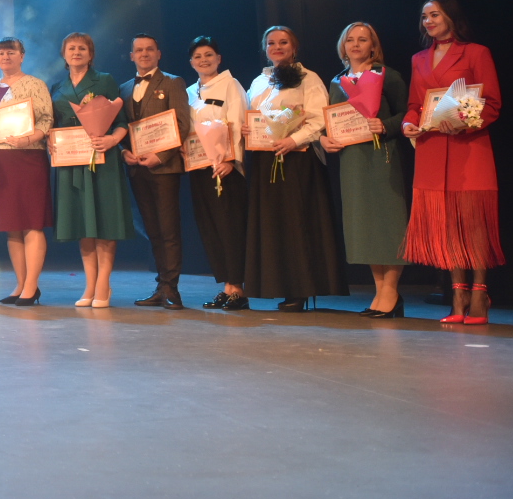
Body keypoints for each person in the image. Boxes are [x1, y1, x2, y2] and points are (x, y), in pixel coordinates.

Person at [401, 0, 502, 325]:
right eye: (424, 16)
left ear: (451, 17)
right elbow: (415, 105)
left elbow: (491, 103)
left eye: (434, 15)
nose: (428, 21)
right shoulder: (419, 59)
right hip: (431, 148)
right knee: (447, 224)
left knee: (472, 223)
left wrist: (465, 123)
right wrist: (407, 124)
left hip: (468, 147)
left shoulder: (476, 53)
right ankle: (458, 294)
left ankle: (479, 294)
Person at [243, 26, 347, 311]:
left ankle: (300, 289)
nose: (277, 47)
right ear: (265, 48)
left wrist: (293, 140)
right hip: (265, 160)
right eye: (271, 43)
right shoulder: (258, 81)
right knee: (273, 224)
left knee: (296, 223)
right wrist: (246, 128)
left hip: (298, 159)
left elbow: (318, 119)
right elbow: (254, 118)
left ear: (294, 47)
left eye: (283, 42)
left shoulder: (308, 78)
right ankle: (279, 285)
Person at [322, 23, 409, 318]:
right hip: (353, 161)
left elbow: (406, 113)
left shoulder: (387, 75)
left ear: (373, 45)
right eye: (350, 40)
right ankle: (380, 290)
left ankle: (391, 291)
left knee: (389, 221)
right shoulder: (337, 81)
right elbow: (331, 120)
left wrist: (385, 125)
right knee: (366, 224)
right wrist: (325, 139)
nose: (356, 44)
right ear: (343, 46)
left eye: (363, 39)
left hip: (382, 155)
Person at [51, 32, 133, 308]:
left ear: (91, 54)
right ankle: (90, 284)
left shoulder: (104, 80)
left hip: (102, 159)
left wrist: (112, 140)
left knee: (104, 221)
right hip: (71, 162)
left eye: (82, 48)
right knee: (83, 223)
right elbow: (53, 125)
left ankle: (103, 285)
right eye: (71, 48)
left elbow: (121, 121)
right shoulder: (57, 87)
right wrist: (51, 141)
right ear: (64, 54)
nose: (76, 52)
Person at [119, 34, 193, 310]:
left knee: (168, 229)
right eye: (139, 50)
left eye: (149, 49)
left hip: (164, 168)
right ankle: (161, 285)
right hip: (137, 169)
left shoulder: (173, 82)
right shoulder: (124, 88)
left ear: (158, 54)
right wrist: (123, 152)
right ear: (131, 56)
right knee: (152, 230)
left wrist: (160, 156)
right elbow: (119, 129)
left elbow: (182, 124)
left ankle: (172, 288)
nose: (144, 53)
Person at [0, 38, 53, 306]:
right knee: (11, 225)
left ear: (22, 56)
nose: (5, 56)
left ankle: (32, 286)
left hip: (28, 156)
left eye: (11, 52)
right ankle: (21, 284)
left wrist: (30, 138)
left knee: (31, 222)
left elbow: (47, 119)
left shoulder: (35, 84)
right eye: (1, 52)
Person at [185, 37, 250, 310]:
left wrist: (231, 160)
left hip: (225, 168)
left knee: (230, 227)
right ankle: (226, 286)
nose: (204, 60)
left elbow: (237, 123)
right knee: (211, 228)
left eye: (209, 54)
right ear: (191, 62)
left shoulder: (231, 84)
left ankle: (239, 289)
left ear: (219, 58)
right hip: (199, 168)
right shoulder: (189, 91)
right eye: (198, 56)